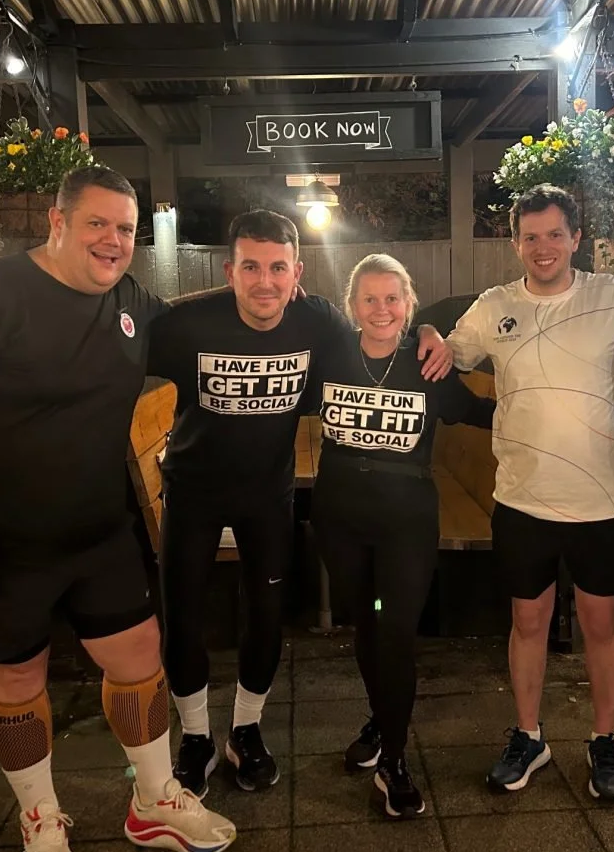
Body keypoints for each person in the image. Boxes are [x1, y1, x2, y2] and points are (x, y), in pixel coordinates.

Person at [0, 167, 237, 852]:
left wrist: (266, 294)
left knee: (140, 657)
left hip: (97, 530)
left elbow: (194, 320)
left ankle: (152, 801)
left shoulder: (132, 300)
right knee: (17, 678)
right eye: (98, 224)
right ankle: (42, 819)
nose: (113, 241)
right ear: (57, 222)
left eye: (125, 229)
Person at [146, 211, 453, 798]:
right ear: (229, 270)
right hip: (193, 491)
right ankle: (194, 738)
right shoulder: (188, 323)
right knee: (182, 613)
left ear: (298, 274)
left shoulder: (317, 321)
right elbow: (126, 337)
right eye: (251, 267)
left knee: (266, 615)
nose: (265, 281)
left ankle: (245, 730)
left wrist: (431, 335)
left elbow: (383, 326)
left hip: (268, 492)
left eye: (278, 268)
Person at [446, 184, 614, 802]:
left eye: (555, 234)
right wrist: (419, 333)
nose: (543, 247)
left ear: (576, 238)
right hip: (522, 499)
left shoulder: (613, 298)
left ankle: (604, 739)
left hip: (603, 501)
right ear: (515, 243)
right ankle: (529, 735)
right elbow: (443, 356)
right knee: (527, 620)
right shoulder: (493, 305)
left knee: (600, 624)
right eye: (530, 236)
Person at [309, 254, 496, 819]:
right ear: (352, 307)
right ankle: (383, 715)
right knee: (365, 624)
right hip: (340, 516)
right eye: (369, 298)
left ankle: (393, 759)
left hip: (406, 521)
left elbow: (477, 410)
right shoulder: (332, 353)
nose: (381, 309)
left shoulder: (427, 361)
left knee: (394, 631)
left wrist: (545, 404)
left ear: (409, 302)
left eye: (393, 298)